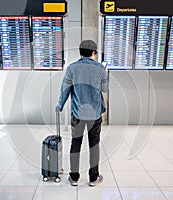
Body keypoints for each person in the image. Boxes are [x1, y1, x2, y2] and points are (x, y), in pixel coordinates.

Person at [55, 40, 108, 187]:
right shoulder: (100, 68)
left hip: (77, 114)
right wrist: (104, 72)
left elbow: (65, 89)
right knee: (94, 145)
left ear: (80, 52)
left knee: (75, 144)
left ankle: (74, 177)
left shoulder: (72, 68)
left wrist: (59, 105)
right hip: (95, 114)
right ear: (93, 53)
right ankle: (93, 178)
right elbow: (105, 89)